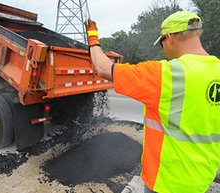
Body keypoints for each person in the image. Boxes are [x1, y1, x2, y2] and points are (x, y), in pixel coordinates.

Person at [85, 11, 220, 193]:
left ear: (170, 37)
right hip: (201, 180)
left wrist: (93, 38)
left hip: (166, 182)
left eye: (162, 42)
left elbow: (102, 68)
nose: (163, 48)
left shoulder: (165, 74)